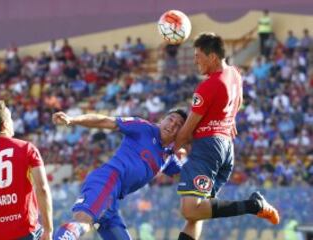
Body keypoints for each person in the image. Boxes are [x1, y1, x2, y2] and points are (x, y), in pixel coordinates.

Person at [173, 33, 280, 240]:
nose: (195, 60)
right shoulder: (234, 73)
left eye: (198, 55)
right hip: (226, 147)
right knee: (199, 213)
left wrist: (172, 148)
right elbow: (238, 102)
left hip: (207, 148)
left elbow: (187, 129)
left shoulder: (208, 86)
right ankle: (253, 205)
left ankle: (253, 205)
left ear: (212, 57)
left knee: (190, 210)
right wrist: (229, 122)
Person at [52, 109, 187, 240]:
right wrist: (72, 120)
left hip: (112, 200)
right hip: (107, 180)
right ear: (162, 120)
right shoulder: (142, 127)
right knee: (83, 220)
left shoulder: (169, 157)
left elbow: (187, 176)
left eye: (178, 125)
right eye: (170, 119)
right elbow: (105, 121)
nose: (172, 125)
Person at [0, 100, 53, 240]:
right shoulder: (26, 149)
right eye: (11, 118)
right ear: (4, 125)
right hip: (24, 232)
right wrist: (48, 230)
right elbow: (42, 188)